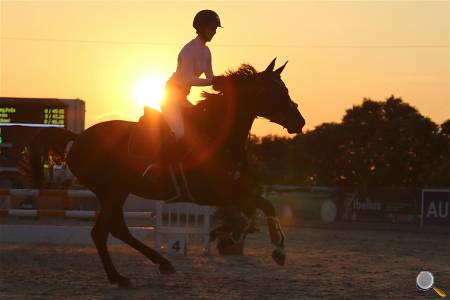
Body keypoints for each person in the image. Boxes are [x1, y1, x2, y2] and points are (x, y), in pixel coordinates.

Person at [144, 10, 225, 201]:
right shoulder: (188, 50)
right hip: (171, 96)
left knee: (200, 128)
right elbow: (189, 78)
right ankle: (154, 166)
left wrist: (226, 85)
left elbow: (210, 77)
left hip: (182, 98)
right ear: (201, 28)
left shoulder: (206, 52)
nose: (214, 32)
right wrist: (215, 81)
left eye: (215, 29)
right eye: (211, 28)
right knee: (179, 132)